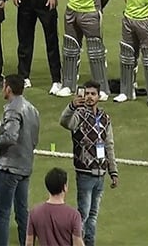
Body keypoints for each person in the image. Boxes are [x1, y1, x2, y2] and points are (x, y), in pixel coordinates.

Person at [0, 74, 40, 246]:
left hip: (9, 167)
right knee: (22, 213)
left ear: (9, 89)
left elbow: (10, 136)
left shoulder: (13, 108)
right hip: (25, 166)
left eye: (4, 86)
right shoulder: (33, 109)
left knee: (3, 213)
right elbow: (34, 139)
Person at [60, 80, 119, 246]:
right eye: (87, 93)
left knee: (93, 216)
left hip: (101, 174)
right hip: (85, 173)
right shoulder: (78, 115)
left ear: (99, 96)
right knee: (83, 215)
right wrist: (71, 106)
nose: (89, 97)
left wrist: (113, 171)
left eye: (93, 94)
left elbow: (109, 145)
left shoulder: (105, 118)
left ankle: (89, 243)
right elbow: (65, 122)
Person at [26, 168, 84, 246]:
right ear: (64, 187)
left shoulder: (34, 213)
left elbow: (29, 243)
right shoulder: (74, 215)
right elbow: (77, 244)